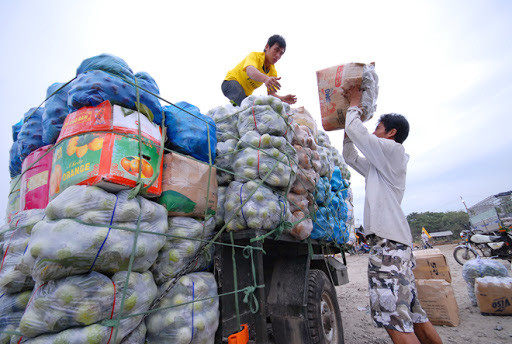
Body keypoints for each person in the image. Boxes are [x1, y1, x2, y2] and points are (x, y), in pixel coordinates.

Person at [342, 86, 443, 344]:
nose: (374, 132)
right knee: (412, 313)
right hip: (396, 244)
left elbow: (359, 134)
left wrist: (353, 104)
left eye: (378, 127)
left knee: (392, 317)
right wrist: (346, 129)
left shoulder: (394, 151)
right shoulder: (380, 167)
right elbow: (350, 156)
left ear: (391, 133)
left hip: (388, 245)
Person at [222, 35, 297, 106]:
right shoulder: (255, 56)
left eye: (281, 53)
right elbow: (250, 71)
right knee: (243, 104)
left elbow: (271, 94)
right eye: (276, 50)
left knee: (248, 107)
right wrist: (266, 78)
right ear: (267, 47)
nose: (278, 56)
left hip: (245, 95)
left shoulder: (273, 72)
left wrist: (282, 98)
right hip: (230, 83)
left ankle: (233, 107)